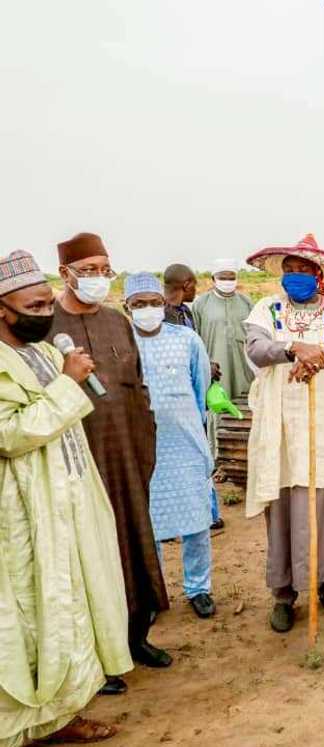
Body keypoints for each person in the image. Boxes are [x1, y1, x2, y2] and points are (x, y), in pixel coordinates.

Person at [0, 251, 131, 746]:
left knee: (73, 602)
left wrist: (66, 378)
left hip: (70, 497)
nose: (44, 313)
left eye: (46, 303)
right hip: (25, 511)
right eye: (33, 307)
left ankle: (64, 713)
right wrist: (67, 383)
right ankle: (25, 723)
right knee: (34, 615)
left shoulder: (48, 353)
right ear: (2, 310)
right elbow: (10, 434)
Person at [49, 232, 170, 693]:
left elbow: (136, 383)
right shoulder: (46, 325)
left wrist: (144, 440)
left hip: (127, 456)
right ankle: (97, 659)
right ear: (65, 274)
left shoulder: (118, 322)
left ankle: (136, 639)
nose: (99, 278)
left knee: (133, 545)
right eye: (89, 271)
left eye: (105, 270)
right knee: (90, 555)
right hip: (80, 461)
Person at [243, 234, 324, 633]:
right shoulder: (267, 308)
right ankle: (284, 594)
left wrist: (317, 358)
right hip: (281, 427)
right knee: (283, 508)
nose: (295, 275)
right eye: (289, 270)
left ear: (318, 274)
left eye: (303, 270)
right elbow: (257, 348)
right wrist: (295, 348)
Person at [124, 273, 216, 620]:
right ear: (127, 307)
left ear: (163, 304)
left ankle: (198, 588)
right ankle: (153, 591)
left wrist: (193, 425)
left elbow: (200, 388)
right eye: (139, 304)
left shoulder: (187, 339)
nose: (147, 309)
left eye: (153, 302)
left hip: (186, 442)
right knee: (147, 524)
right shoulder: (122, 342)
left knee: (197, 520)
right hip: (142, 448)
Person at [192, 258, 256, 530]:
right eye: (223, 276)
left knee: (244, 411)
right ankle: (218, 463)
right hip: (215, 368)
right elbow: (195, 338)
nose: (227, 280)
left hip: (244, 368)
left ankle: (246, 459)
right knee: (216, 414)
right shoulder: (201, 304)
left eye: (231, 276)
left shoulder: (246, 302)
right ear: (213, 278)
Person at [162, 263, 197, 330]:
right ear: (186, 285)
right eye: (194, 285)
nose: (195, 290)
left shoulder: (185, 311)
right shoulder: (159, 314)